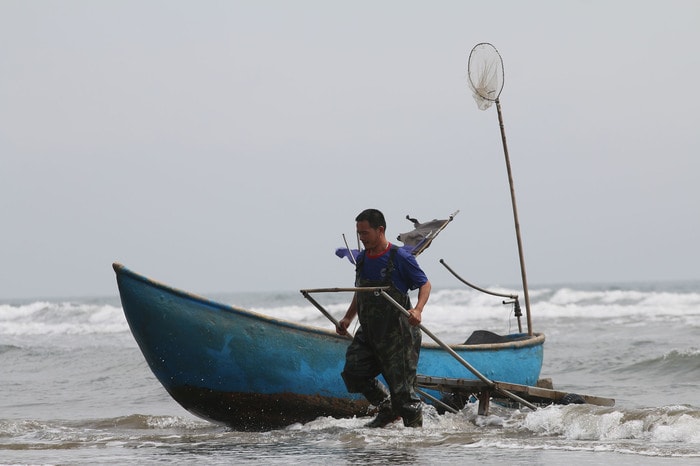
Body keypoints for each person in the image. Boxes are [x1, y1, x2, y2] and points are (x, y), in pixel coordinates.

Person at [336, 208, 431, 428]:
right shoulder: (361, 259)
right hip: (369, 332)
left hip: (398, 335)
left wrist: (418, 310)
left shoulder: (400, 257)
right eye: (359, 233)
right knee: (353, 373)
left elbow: (425, 284)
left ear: (380, 230)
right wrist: (348, 318)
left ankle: (416, 441)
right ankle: (388, 409)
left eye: (365, 233)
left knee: (405, 397)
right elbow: (361, 291)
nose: (361, 238)